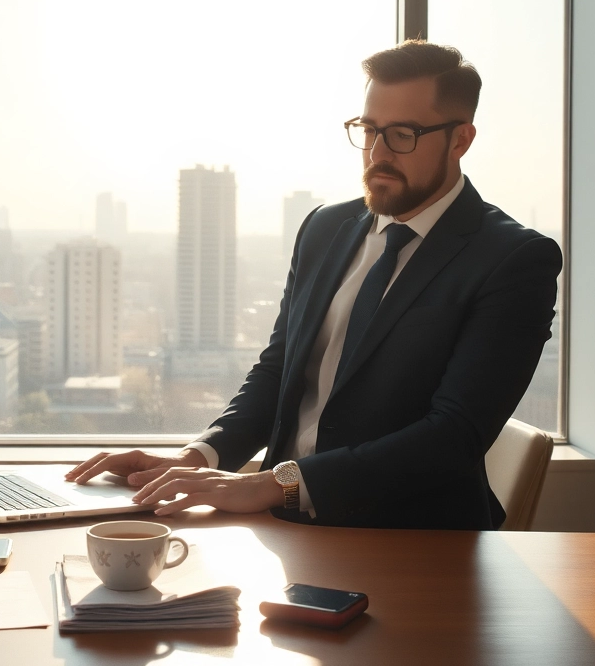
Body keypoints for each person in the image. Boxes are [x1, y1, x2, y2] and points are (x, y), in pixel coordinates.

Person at [67, 40, 562, 530]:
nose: (378, 153)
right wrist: (198, 456)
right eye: (368, 130)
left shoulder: (514, 260)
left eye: (403, 134)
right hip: (280, 525)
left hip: (415, 542)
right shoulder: (325, 228)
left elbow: (451, 438)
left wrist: (276, 483)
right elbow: (279, 368)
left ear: (460, 140)